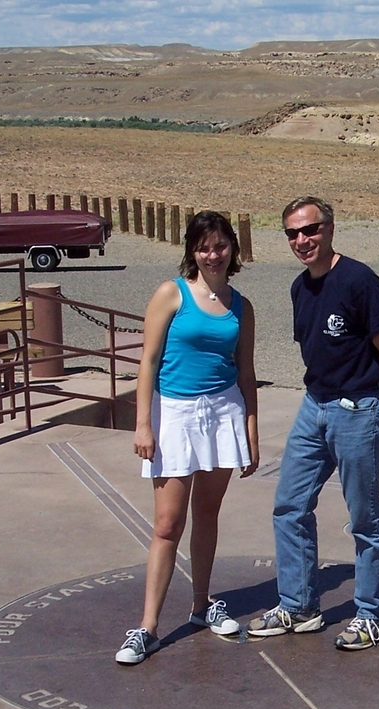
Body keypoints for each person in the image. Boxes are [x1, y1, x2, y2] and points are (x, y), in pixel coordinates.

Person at [246, 196, 379, 651]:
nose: (303, 240)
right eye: (293, 234)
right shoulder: (300, 288)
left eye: (310, 230)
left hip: (358, 408)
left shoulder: (360, 282)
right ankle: (298, 605)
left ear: (330, 229)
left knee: (365, 517)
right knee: (289, 506)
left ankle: (375, 614)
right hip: (314, 405)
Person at [115, 211, 259, 665]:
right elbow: (149, 362)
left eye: (220, 246)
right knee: (167, 524)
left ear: (232, 249)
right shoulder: (170, 294)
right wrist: (143, 423)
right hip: (175, 414)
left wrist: (251, 432)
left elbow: (247, 371)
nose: (213, 254)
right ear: (192, 251)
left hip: (223, 412)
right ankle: (147, 627)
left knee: (208, 516)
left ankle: (201, 606)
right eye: (204, 246)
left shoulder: (241, 306)